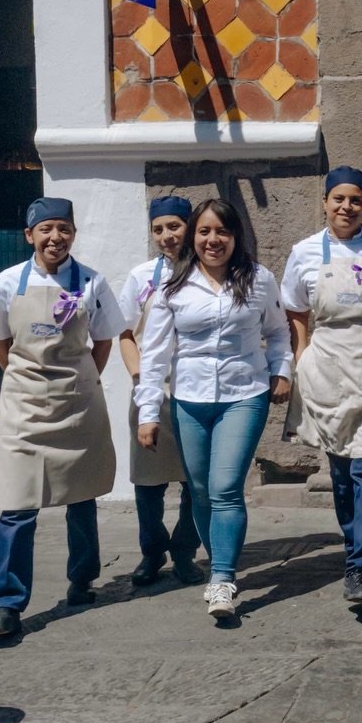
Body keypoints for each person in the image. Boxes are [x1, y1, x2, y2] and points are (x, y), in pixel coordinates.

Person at [137, 198, 291, 624]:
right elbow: (154, 355)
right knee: (201, 490)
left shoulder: (258, 279)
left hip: (244, 394)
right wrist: (148, 412)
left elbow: (278, 333)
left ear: (235, 236)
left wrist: (283, 372)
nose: (212, 240)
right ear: (193, 236)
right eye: (204, 231)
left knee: (225, 488)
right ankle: (216, 560)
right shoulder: (173, 285)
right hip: (189, 398)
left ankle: (223, 577)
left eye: (221, 231)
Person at [0, 197, 123, 639]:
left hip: (78, 404)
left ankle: (82, 579)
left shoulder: (92, 283)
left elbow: (103, 342)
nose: (54, 237)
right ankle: (6, 602)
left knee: (81, 499)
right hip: (24, 407)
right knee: (17, 506)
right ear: (30, 236)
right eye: (45, 230)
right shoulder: (8, 282)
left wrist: (81, 381)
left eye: (63, 228)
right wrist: (23, 379)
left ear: (73, 234)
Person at [281, 166, 362, 610]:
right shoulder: (304, 253)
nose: (347, 207)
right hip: (328, 372)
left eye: (355, 199)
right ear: (325, 202)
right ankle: (354, 545)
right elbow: (296, 310)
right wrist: (302, 357)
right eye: (338, 199)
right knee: (341, 475)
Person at [117, 196, 201, 588]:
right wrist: (139, 379)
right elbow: (126, 334)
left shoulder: (207, 271)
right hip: (150, 390)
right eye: (158, 229)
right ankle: (152, 552)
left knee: (194, 482)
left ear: (190, 225)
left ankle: (185, 551)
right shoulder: (141, 277)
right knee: (148, 483)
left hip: (196, 388)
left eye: (174, 226)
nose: (167, 236)